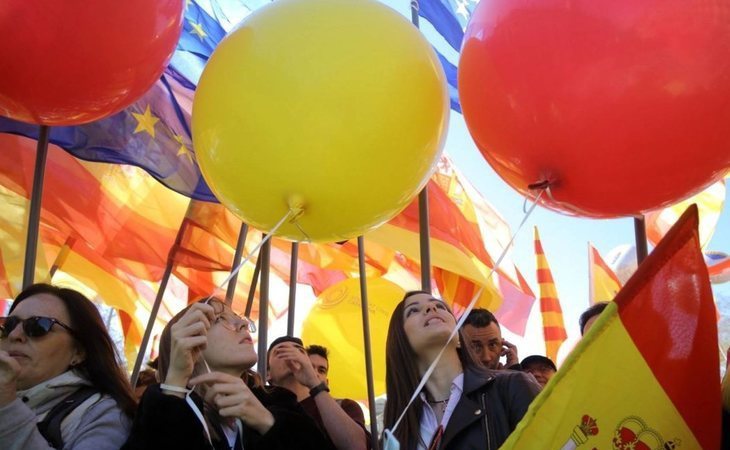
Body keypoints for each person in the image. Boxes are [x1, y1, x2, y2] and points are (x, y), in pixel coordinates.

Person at [123, 298, 335, 450]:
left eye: (238, 317)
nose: (243, 323)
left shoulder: (278, 402)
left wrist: (266, 421)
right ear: (190, 342)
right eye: (219, 319)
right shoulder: (160, 408)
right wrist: (175, 383)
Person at [383, 291, 541, 449]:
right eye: (413, 310)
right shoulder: (397, 425)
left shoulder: (513, 386)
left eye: (440, 306)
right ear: (400, 342)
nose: (431, 307)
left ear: (460, 339)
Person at [0, 283, 136, 449]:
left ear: (78, 352)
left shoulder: (103, 413)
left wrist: (7, 408)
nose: (14, 335)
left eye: (37, 326)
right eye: (9, 325)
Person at [268, 337, 369, 450]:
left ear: (327, 382)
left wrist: (314, 383)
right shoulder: (263, 405)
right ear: (268, 373)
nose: (291, 357)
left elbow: (356, 447)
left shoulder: (343, 406)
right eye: (281, 352)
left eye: (321, 370)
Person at [305, 344, 367, 428]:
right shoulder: (288, 405)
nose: (315, 374)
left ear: (327, 383)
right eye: (310, 368)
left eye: (321, 370)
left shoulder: (346, 407)